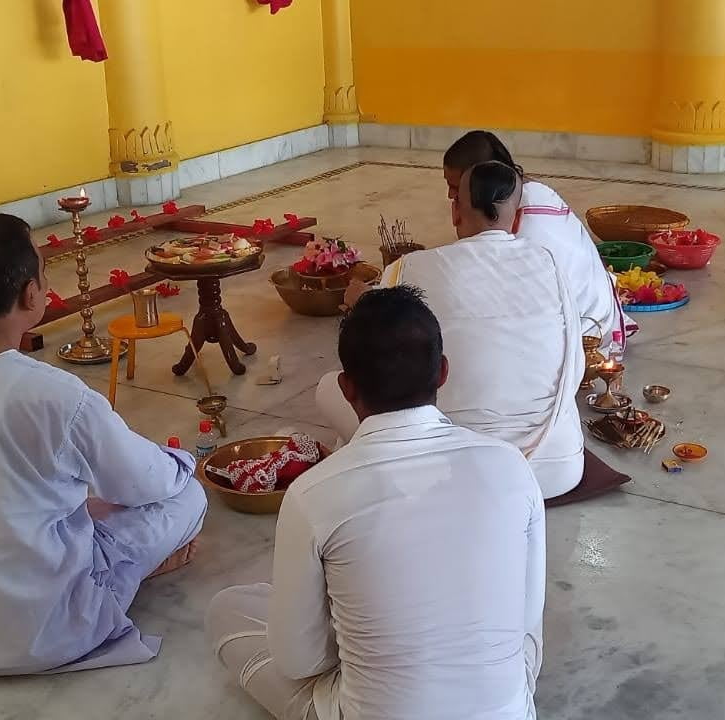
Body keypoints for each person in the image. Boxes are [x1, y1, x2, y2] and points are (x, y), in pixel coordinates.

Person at [0, 213, 206, 676]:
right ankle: (132, 575)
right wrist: (180, 460)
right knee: (186, 493)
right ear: (31, 293)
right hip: (41, 633)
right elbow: (145, 484)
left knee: (68, 494)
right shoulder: (55, 394)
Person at [208, 286, 546, 720]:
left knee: (231, 609)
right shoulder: (511, 466)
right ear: (442, 372)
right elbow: (525, 619)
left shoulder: (314, 493)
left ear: (347, 388)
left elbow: (299, 663)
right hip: (506, 711)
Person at [329, 161, 630, 506]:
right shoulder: (549, 261)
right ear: (517, 217)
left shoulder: (411, 267)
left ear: (456, 209)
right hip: (557, 470)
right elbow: (574, 368)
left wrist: (358, 301)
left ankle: (359, 477)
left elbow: (377, 348)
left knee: (331, 388)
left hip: (455, 475)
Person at [442, 130, 632, 351]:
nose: (449, 195)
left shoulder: (523, 222)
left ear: (481, 179)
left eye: (454, 187)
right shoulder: (532, 192)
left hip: (582, 333)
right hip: (599, 313)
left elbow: (494, 291)